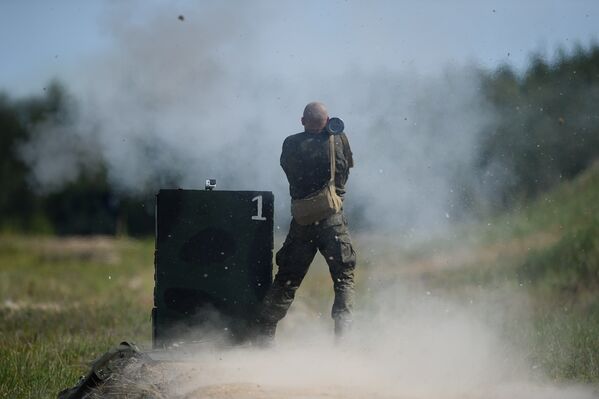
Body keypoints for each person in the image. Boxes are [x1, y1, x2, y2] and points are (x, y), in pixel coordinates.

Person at [256, 101, 356, 344]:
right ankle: (343, 341)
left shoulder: (291, 144)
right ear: (328, 120)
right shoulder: (337, 140)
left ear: (302, 121)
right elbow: (343, 174)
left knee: (287, 279)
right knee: (344, 279)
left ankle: (264, 337)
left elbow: (289, 170)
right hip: (332, 220)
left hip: (302, 220)